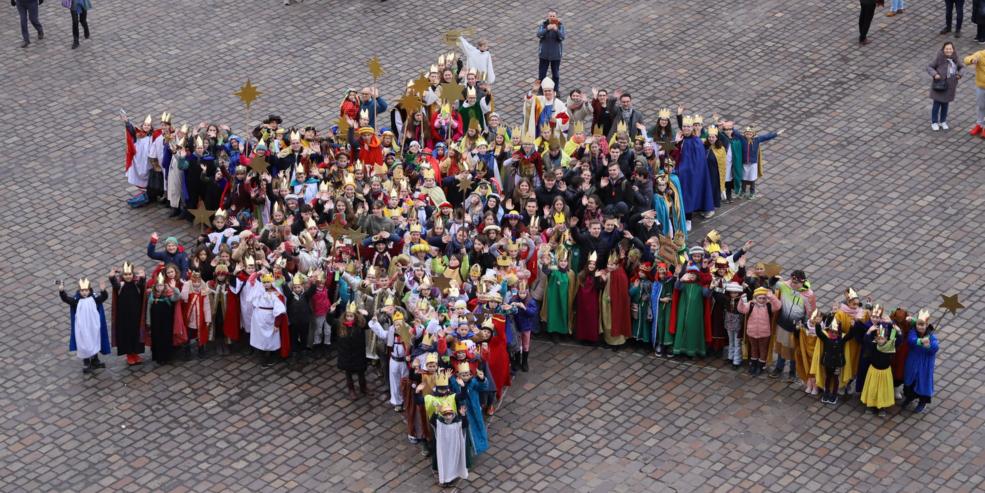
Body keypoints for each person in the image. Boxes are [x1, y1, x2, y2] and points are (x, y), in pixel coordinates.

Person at [59, 278, 110, 373]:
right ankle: (86, 361)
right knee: (84, 342)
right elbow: (67, 299)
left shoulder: (94, 298)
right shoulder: (76, 300)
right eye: (82, 291)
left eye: (86, 290)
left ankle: (95, 360)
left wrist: (103, 291)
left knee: (94, 340)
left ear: (89, 289)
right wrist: (62, 292)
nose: (84, 292)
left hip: (93, 324)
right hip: (82, 326)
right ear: (79, 290)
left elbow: (102, 298)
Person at [108, 262, 146, 366]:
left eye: (130, 274)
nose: (128, 276)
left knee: (136, 333)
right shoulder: (120, 284)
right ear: (122, 275)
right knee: (126, 334)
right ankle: (129, 355)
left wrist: (143, 277)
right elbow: (114, 285)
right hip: (123, 316)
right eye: (126, 275)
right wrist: (111, 277)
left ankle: (135, 353)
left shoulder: (136, 283)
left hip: (136, 314)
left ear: (133, 274)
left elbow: (142, 285)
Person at [901, 310, 939, 413]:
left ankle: (923, 402)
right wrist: (921, 341)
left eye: (923, 325)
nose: (920, 327)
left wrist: (928, 346)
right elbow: (911, 340)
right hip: (913, 362)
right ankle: (910, 397)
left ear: (927, 325)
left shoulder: (932, 337)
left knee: (923, 382)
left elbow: (934, 349)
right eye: (919, 324)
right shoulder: (913, 332)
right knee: (910, 381)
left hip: (924, 365)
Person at [928, 42, 963, 131]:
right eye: (947, 49)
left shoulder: (955, 59)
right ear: (943, 50)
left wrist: (959, 75)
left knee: (945, 105)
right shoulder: (939, 58)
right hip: (939, 85)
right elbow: (930, 67)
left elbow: (961, 68)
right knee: (936, 105)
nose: (948, 50)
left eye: (950, 49)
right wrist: (935, 74)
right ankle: (934, 122)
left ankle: (943, 121)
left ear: (953, 50)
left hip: (950, 86)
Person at [536, 9, 565, 92]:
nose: (552, 18)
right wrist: (547, 29)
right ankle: (541, 90)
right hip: (544, 55)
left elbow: (562, 37)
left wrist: (556, 30)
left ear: (556, 17)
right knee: (542, 74)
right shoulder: (544, 25)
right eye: (550, 16)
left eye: (553, 16)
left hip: (556, 55)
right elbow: (538, 34)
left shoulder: (560, 26)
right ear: (548, 17)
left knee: (556, 75)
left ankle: (556, 90)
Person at [963, 47, 985, 137]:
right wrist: (972, 60)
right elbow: (966, 60)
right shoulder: (980, 54)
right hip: (981, 86)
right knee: (981, 106)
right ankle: (979, 125)